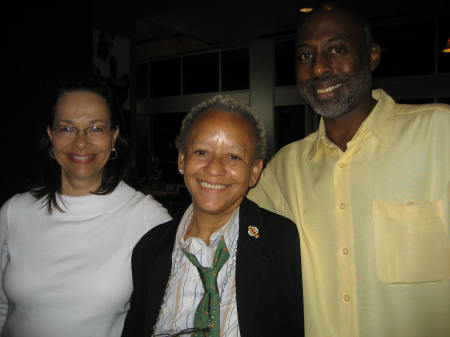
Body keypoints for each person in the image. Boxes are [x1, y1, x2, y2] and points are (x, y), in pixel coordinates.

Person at [248, 3, 449, 337]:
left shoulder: (439, 134)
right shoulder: (285, 168)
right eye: (305, 56)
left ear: (371, 56)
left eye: (337, 49)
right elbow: (231, 231)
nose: (318, 69)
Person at [0, 78, 171, 337]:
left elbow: (171, 314)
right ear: (51, 135)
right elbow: (2, 307)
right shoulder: (14, 211)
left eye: (96, 128)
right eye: (67, 128)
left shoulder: (147, 218)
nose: (81, 142)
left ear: (114, 137)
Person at [121, 95, 303, 337]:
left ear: (254, 171)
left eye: (234, 156)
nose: (215, 168)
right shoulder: (149, 248)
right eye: (202, 152)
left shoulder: (281, 240)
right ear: (182, 160)